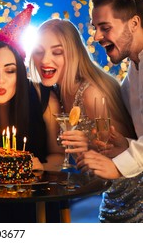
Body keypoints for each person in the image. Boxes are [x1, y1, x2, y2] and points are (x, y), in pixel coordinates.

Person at [29, 17, 139, 223]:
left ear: (73, 54)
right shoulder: (55, 93)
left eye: (57, 52)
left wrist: (88, 148)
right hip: (110, 200)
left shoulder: (92, 94)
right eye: (39, 51)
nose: (45, 60)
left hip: (134, 202)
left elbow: (127, 156)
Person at [0, 39, 65, 222]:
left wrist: (42, 166)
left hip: (38, 203)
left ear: (19, 73)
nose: (0, 80)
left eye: (9, 70)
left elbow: (59, 155)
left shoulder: (43, 98)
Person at [75, 0, 143, 222]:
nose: (96, 36)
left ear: (134, 23)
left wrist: (117, 166)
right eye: (95, 28)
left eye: (105, 27)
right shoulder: (133, 72)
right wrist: (125, 145)